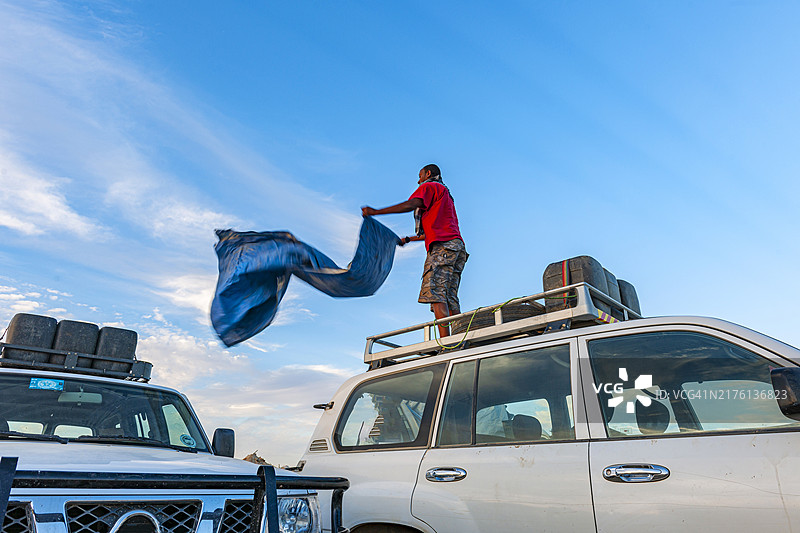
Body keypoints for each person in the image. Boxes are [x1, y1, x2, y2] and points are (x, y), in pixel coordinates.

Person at [362, 164, 468, 338]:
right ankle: (459, 338)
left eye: (419, 175)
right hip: (456, 248)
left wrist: (376, 212)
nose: (418, 180)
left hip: (442, 247)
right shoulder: (446, 195)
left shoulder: (430, 186)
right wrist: (409, 239)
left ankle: (448, 343)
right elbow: (434, 229)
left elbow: (412, 204)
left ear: (428, 174)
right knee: (449, 296)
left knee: (435, 292)